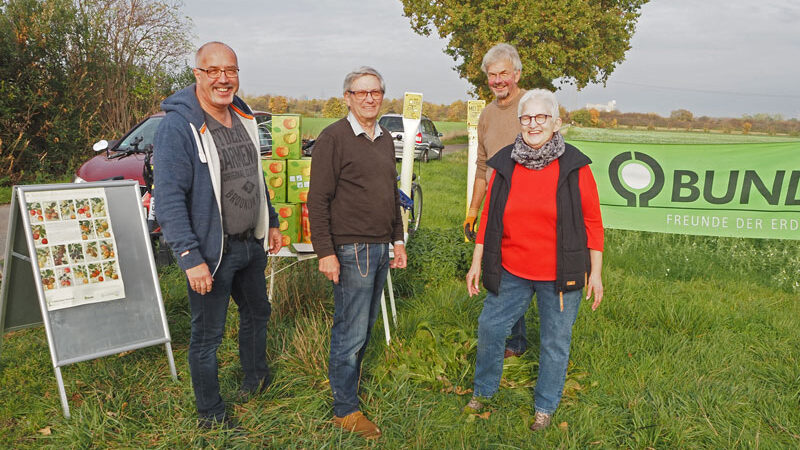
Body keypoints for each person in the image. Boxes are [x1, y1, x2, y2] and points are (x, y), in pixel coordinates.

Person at [153, 41, 282, 429]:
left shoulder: (242, 115)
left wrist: (271, 219)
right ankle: (211, 414)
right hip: (212, 251)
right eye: (214, 71)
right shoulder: (180, 126)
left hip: (249, 243)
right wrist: (190, 257)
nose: (224, 79)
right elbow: (169, 198)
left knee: (258, 312)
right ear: (197, 74)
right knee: (207, 336)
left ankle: (255, 379)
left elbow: (254, 175)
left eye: (231, 70)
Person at [463, 89, 604, 432]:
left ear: (556, 123)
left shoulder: (575, 166)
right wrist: (477, 260)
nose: (533, 124)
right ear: (519, 123)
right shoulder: (504, 162)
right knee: (491, 327)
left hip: (560, 273)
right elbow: (490, 218)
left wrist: (596, 273)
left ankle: (545, 405)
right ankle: (483, 390)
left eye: (541, 117)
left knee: (555, 341)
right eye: (527, 118)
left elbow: (592, 222)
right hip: (512, 269)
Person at [307, 66, 408, 440]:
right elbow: (317, 200)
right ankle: (345, 410)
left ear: (382, 96)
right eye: (361, 92)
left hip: (381, 247)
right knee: (350, 331)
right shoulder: (334, 138)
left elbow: (390, 194)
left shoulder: (383, 138)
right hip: (352, 248)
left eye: (376, 92)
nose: (369, 98)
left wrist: (397, 241)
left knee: (363, 328)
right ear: (347, 97)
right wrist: (325, 252)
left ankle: (350, 392)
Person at [463, 43, 529, 358]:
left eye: (504, 73)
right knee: (498, 271)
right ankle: (510, 339)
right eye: (492, 75)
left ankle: (514, 344)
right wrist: (473, 210)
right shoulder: (487, 115)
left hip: (527, 207)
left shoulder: (531, 107)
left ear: (517, 73)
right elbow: (481, 167)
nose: (498, 80)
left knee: (519, 273)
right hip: (496, 207)